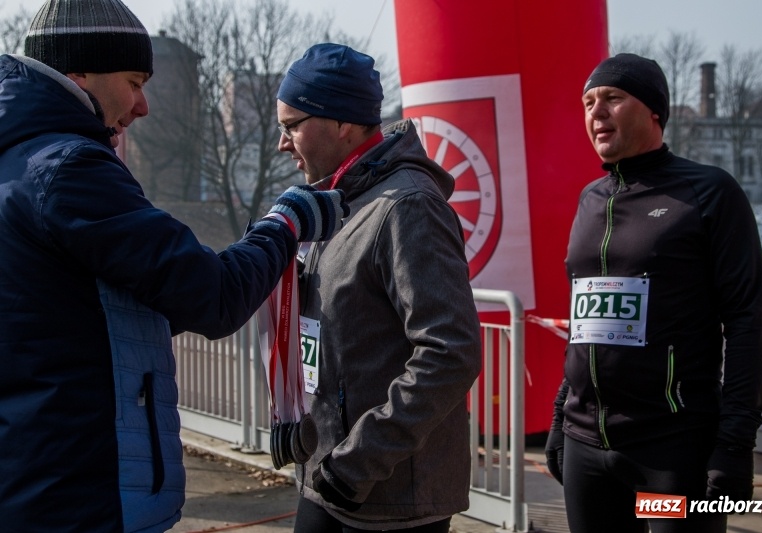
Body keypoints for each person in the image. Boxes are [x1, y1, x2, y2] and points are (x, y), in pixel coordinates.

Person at [0, 1, 348, 531]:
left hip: (34, 477)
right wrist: (287, 220)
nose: (142, 106)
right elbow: (211, 296)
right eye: (135, 81)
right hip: (83, 491)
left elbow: (107, 307)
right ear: (79, 75)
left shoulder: (16, 163)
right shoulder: (69, 169)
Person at [544, 53, 762, 532]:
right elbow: (587, 322)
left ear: (653, 111)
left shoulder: (709, 192)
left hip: (671, 456)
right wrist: (562, 413)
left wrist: (734, 445)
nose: (595, 113)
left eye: (612, 98)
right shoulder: (591, 200)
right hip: (587, 449)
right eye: (588, 102)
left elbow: (748, 322)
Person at [275, 43, 483, 532]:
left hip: (387, 495)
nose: (283, 143)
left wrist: (358, 462)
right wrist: (294, 420)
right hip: (328, 475)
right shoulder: (332, 199)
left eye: (291, 126)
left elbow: (450, 353)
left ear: (343, 123)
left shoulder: (407, 207)